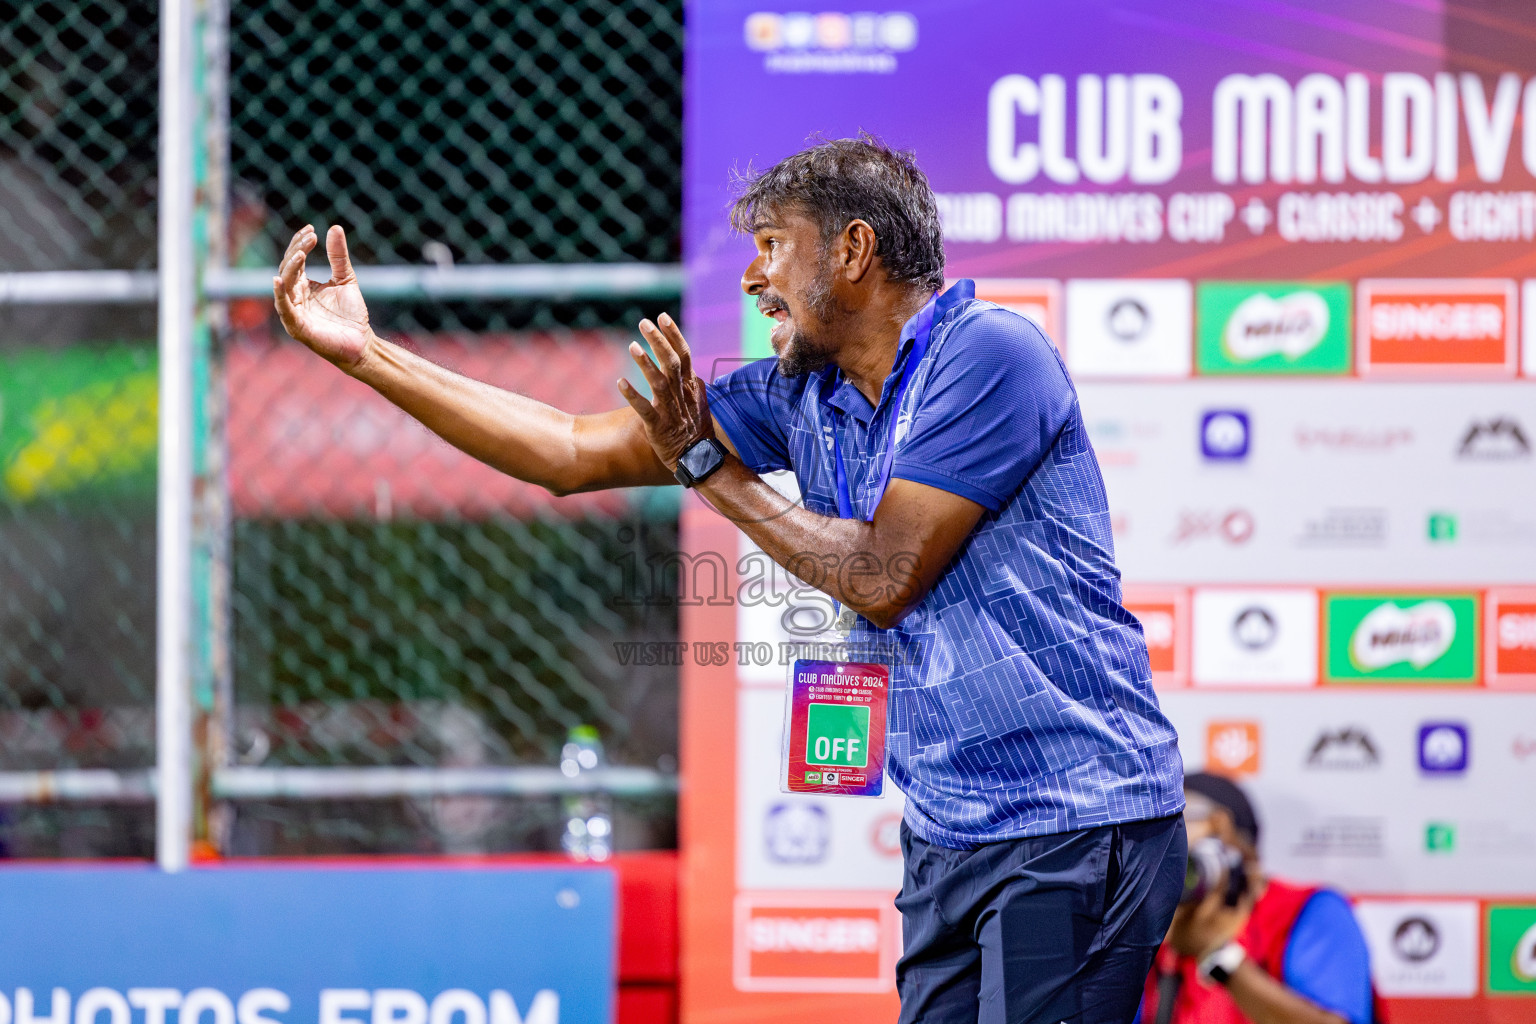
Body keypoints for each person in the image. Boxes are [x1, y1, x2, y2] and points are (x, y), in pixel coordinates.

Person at [272, 134, 1186, 1024]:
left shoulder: (989, 356)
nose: (753, 280)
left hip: (1077, 817)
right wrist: (369, 356)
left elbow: (882, 574)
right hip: (952, 830)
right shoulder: (806, 396)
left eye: (773, 248)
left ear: (855, 250)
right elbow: (569, 451)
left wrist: (708, 465)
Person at [1140, 773, 1379, 1024]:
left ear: (1220, 826)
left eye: (1172, 823)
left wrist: (1217, 957)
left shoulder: (1308, 911)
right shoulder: (1158, 928)